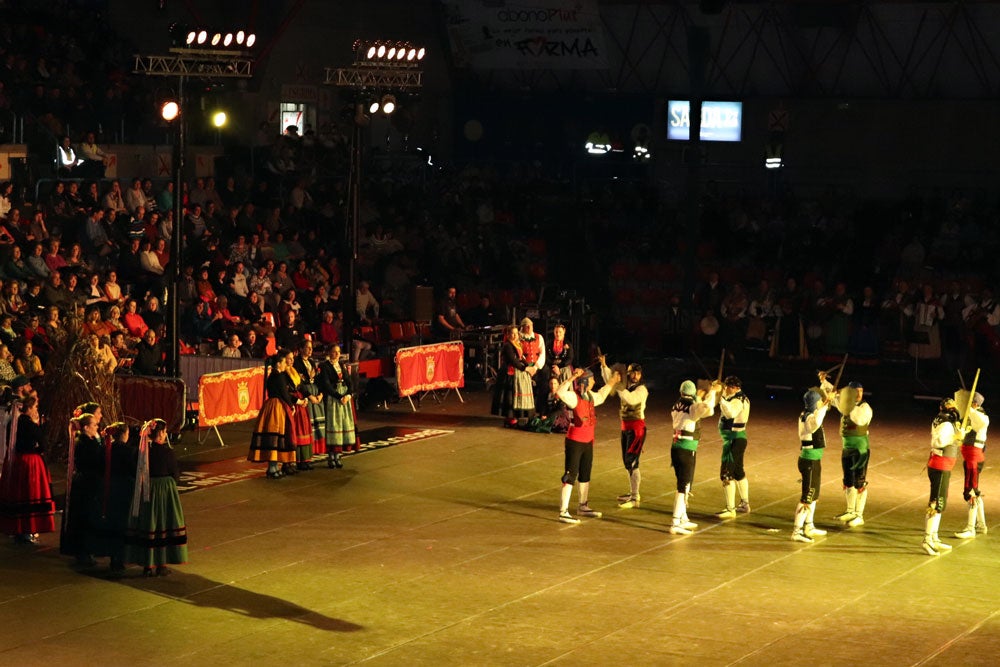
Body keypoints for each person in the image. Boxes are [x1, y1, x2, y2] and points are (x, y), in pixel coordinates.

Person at [554, 368, 616, 524]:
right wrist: (572, 377)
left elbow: (601, 395)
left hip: (588, 441)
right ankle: (563, 511)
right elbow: (560, 392)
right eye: (592, 379)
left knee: (585, 474)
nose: (594, 382)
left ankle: (583, 505)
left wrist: (611, 382)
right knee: (570, 475)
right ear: (585, 382)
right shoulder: (574, 398)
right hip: (575, 442)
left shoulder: (590, 397)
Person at [127, 419, 187, 576]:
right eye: (165, 432)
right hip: (163, 492)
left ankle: (147, 565)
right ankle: (161, 564)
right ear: (160, 434)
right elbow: (175, 474)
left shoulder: (141, 451)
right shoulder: (167, 453)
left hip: (145, 490)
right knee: (163, 525)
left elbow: (134, 470)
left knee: (147, 524)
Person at [0, 396, 56, 544]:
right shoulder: (29, 424)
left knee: (18, 494)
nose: (36, 410)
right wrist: (37, 448)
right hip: (30, 462)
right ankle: (27, 529)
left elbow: (9, 442)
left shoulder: (13, 422)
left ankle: (17, 528)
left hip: (15, 461)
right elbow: (43, 443)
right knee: (30, 494)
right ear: (29, 408)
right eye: (35, 407)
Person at [669, 379, 720, 535]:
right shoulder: (692, 407)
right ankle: (676, 521)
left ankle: (683, 516)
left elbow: (698, 407)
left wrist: (698, 397)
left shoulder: (677, 405)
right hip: (686, 448)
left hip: (676, 447)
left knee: (684, 483)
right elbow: (708, 409)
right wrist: (713, 391)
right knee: (683, 486)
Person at [600, 357, 648, 509]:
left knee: (633, 461)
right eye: (632, 373)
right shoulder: (625, 386)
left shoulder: (642, 390)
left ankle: (635, 497)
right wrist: (604, 366)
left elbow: (631, 399)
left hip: (637, 430)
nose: (634, 376)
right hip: (625, 428)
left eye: (637, 373)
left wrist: (618, 385)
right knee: (627, 462)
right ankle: (633, 492)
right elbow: (610, 380)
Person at [247, 350, 301, 478]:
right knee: (276, 437)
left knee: (274, 437)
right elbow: (284, 393)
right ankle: (273, 467)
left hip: (271, 405)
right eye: (283, 362)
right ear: (278, 364)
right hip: (277, 407)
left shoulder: (273, 375)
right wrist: (291, 405)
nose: (285, 365)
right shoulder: (279, 376)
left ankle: (274, 466)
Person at [61, 407, 104, 565]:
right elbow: (96, 460)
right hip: (86, 484)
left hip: (88, 482)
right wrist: (100, 442)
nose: (97, 427)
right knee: (85, 516)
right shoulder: (85, 443)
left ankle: (86, 550)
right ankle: (83, 552)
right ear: (86, 427)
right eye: (94, 425)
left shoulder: (88, 441)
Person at [830, 379, 873, 527]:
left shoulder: (864, 408)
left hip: (860, 450)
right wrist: (825, 384)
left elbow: (859, 420)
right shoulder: (846, 405)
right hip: (847, 448)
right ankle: (850, 510)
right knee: (848, 480)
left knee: (859, 481)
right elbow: (833, 397)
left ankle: (859, 515)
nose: (859, 394)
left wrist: (844, 401)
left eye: (861, 391)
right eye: (856, 391)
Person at [792, 387, 831, 543]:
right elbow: (816, 421)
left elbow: (820, 413)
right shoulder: (808, 418)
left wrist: (827, 400)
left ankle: (809, 525)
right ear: (815, 403)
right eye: (819, 401)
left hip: (814, 460)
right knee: (806, 498)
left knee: (814, 496)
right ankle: (797, 531)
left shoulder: (809, 414)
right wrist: (824, 404)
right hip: (809, 461)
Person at [922, 399, 961, 556]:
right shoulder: (945, 422)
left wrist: (958, 435)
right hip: (940, 466)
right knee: (936, 503)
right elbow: (938, 441)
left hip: (942, 465)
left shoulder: (946, 420)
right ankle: (927, 539)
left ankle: (934, 537)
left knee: (940, 502)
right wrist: (955, 437)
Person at [714, 375, 752, 518]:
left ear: (734, 388)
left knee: (726, 473)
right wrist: (718, 390)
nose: (725, 389)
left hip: (734, 439)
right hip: (735, 439)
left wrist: (721, 398)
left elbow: (730, 413)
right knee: (738, 472)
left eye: (727, 387)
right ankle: (745, 503)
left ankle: (730, 509)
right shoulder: (737, 396)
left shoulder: (737, 400)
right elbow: (724, 397)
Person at [316, 344, 357, 469]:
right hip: (333, 399)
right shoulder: (325, 366)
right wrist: (339, 397)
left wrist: (349, 395)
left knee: (343, 424)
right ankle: (331, 456)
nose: (337, 354)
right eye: (335, 352)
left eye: (338, 352)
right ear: (330, 353)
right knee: (334, 425)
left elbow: (350, 382)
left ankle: (338, 455)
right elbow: (327, 385)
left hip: (344, 399)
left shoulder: (341, 366)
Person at [955, 392, 989, 539]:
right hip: (970, 458)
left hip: (974, 459)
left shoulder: (981, 418)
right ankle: (981, 524)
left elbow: (972, 413)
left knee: (971, 491)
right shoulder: (971, 416)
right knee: (974, 490)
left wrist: (966, 405)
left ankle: (971, 528)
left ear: (975, 403)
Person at [490, 324, 535, 428]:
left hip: (516, 372)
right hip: (508, 373)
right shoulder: (507, 346)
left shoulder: (517, 344)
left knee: (514, 395)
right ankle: (509, 418)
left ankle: (514, 416)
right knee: (509, 396)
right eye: (512, 333)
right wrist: (525, 368)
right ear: (508, 334)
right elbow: (513, 360)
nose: (514, 335)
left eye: (516, 333)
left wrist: (529, 366)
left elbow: (521, 357)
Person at [293, 339, 326, 468]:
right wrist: (310, 396)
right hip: (305, 395)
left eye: (311, 347)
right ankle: (302, 459)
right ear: (301, 349)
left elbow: (317, 379)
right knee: (306, 426)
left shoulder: (312, 362)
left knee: (316, 425)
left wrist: (321, 394)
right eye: (307, 347)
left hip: (315, 393)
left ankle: (310, 456)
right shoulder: (296, 363)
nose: (310, 350)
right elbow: (299, 383)